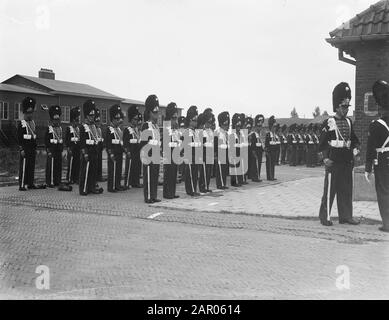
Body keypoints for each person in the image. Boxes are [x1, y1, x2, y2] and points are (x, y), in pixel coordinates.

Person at [318, 82, 360, 226]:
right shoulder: (329, 122)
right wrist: (325, 158)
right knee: (330, 190)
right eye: (343, 107)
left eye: (347, 107)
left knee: (346, 190)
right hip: (333, 160)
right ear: (336, 106)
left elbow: (354, 140)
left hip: (346, 161)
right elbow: (322, 143)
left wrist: (356, 148)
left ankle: (346, 216)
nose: (346, 110)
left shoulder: (349, 122)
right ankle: (326, 217)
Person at [365, 80, 389, 232]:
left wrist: (368, 168)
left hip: (382, 162)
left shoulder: (375, 125)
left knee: (383, 192)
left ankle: (387, 224)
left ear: (380, 106)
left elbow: (370, 149)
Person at [17, 97, 44, 191]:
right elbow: (19, 138)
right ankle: (22, 184)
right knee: (24, 166)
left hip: (32, 148)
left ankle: (30, 183)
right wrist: (21, 149)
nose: (30, 115)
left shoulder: (33, 123)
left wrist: (35, 148)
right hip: (25, 147)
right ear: (25, 113)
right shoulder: (21, 123)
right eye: (28, 113)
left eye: (31, 113)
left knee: (31, 166)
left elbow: (34, 136)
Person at [79, 99, 103, 196]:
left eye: (93, 115)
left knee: (93, 170)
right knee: (85, 171)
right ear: (86, 116)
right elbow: (82, 142)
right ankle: (83, 188)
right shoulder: (83, 127)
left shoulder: (94, 127)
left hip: (94, 151)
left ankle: (91, 187)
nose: (92, 117)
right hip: (87, 151)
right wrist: (85, 152)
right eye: (90, 115)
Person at [141, 95, 161, 203]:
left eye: (157, 112)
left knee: (154, 176)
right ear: (149, 113)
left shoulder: (156, 126)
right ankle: (148, 196)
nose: (157, 115)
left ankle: (153, 195)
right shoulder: (146, 125)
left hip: (156, 154)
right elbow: (144, 143)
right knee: (148, 176)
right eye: (154, 112)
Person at [162, 102, 180, 199]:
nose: (175, 120)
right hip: (168, 154)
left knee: (174, 173)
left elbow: (178, 140)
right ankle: (167, 193)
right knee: (168, 174)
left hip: (175, 153)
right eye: (173, 118)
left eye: (176, 118)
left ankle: (172, 192)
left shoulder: (174, 129)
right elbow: (166, 143)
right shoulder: (166, 128)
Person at [106, 104, 125, 192]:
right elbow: (108, 143)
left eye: (119, 118)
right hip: (113, 152)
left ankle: (117, 184)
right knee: (112, 170)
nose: (119, 121)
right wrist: (110, 153)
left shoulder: (119, 130)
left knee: (118, 170)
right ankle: (111, 187)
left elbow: (121, 141)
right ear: (113, 119)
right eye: (117, 119)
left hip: (119, 152)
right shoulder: (109, 129)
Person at [45, 105, 64, 187]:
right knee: (51, 166)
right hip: (52, 149)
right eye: (55, 119)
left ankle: (58, 180)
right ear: (52, 120)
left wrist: (62, 147)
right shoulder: (49, 129)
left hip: (58, 149)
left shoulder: (60, 128)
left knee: (58, 166)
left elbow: (61, 138)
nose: (56, 121)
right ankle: (50, 181)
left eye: (58, 119)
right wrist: (48, 150)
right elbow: (46, 140)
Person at [123, 105, 142, 189]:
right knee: (130, 167)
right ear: (131, 119)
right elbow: (125, 143)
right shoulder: (127, 129)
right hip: (131, 151)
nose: (136, 121)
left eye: (137, 120)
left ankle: (136, 182)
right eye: (135, 119)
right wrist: (127, 152)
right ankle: (128, 182)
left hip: (137, 151)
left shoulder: (137, 130)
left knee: (137, 167)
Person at [184, 106, 200, 196]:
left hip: (195, 155)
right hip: (189, 155)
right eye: (194, 120)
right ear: (190, 121)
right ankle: (190, 190)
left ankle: (193, 189)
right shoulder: (187, 131)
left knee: (194, 173)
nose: (196, 122)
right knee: (190, 173)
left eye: (196, 121)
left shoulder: (195, 132)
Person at [65, 107, 81, 184]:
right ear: (72, 121)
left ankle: (76, 178)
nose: (77, 123)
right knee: (71, 164)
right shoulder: (69, 128)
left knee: (77, 164)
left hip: (77, 149)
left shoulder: (78, 129)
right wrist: (68, 148)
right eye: (75, 121)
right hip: (71, 148)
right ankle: (69, 178)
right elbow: (67, 139)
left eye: (78, 121)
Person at [214, 112, 230, 190]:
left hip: (225, 152)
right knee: (220, 169)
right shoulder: (217, 132)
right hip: (220, 153)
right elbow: (215, 144)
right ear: (222, 124)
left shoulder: (225, 133)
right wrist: (216, 154)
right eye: (226, 125)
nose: (228, 127)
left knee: (224, 169)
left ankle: (223, 183)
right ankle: (219, 184)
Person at [230, 113, 243, 187]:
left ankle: (239, 181)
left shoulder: (240, 134)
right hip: (233, 152)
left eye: (239, 126)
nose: (239, 127)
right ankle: (233, 182)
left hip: (239, 152)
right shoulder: (232, 134)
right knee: (233, 168)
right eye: (237, 126)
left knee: (238, 167)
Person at [265, 116, 278, 181]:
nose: (274, 128)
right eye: (273, 127)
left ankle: (272, 175)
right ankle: (269, 177)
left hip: (274, 151)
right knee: (269, 164)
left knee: (273, 164)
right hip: (270, 152)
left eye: (275, 127)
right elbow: (266, 144)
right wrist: (267, 151)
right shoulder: (268, 134)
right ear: (271, 127)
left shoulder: (275, 135)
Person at [95, 109, 104, 182]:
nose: (98, 123)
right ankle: (95, 176)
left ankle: (99, 176)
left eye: (99, 121)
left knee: (99, 162)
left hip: (99, 146)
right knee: (95, 162)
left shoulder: (100, 129)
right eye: (97, 121)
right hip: (95, 146)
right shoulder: (93, 129)